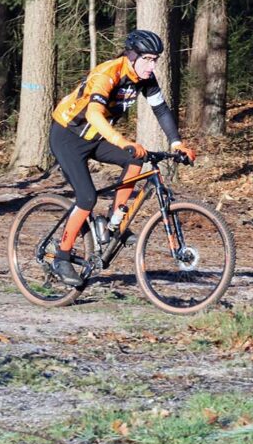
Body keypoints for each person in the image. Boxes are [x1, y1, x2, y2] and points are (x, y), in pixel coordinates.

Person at [48, 29, 196, 286]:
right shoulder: (108, 73)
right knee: (87, 197)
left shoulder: (144, 78)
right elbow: (94, 114)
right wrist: (121, 141)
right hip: (68, 136)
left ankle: (113, 224)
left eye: (155, 60)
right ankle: (61, 257)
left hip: (95, 137)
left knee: (135, 161)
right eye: (148, 59)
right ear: (132, 56)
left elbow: (161, 110)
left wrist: (177, 143)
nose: (152, 65)